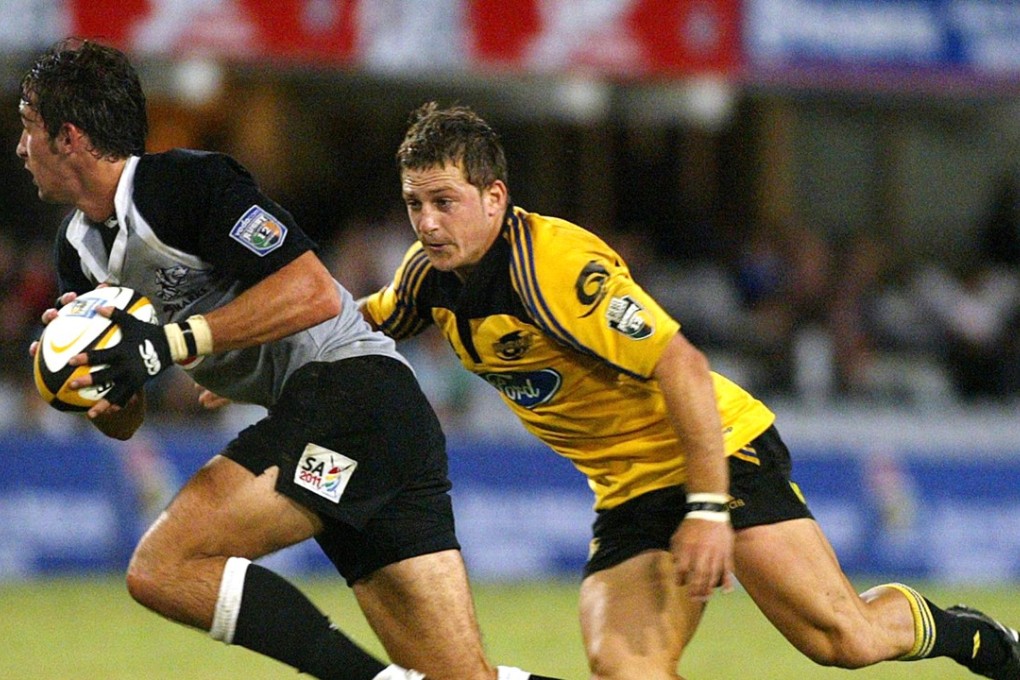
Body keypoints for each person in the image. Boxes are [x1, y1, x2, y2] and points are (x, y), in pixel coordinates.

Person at [359, 101, 1020, 680]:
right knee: (625, 668)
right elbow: (362, 320)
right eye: (415, 203)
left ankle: (969, 635)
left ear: (494, 198)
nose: (428, 222)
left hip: (716, 453)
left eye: (444, 202)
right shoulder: (428, 276)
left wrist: (707, 508)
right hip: (631, 492)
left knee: (844, 639)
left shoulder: (556, 271)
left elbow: (682, 366)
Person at [18, 39, 559, 680]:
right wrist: (91, 381)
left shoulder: (186, 185)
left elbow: (308, 291)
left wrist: (168, 343)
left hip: (352, 395)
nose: (20, 149)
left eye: (28, 128)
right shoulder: (77, 254)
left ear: (70, 137)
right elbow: (126, 420)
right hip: (372, 424)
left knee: (162, 566)